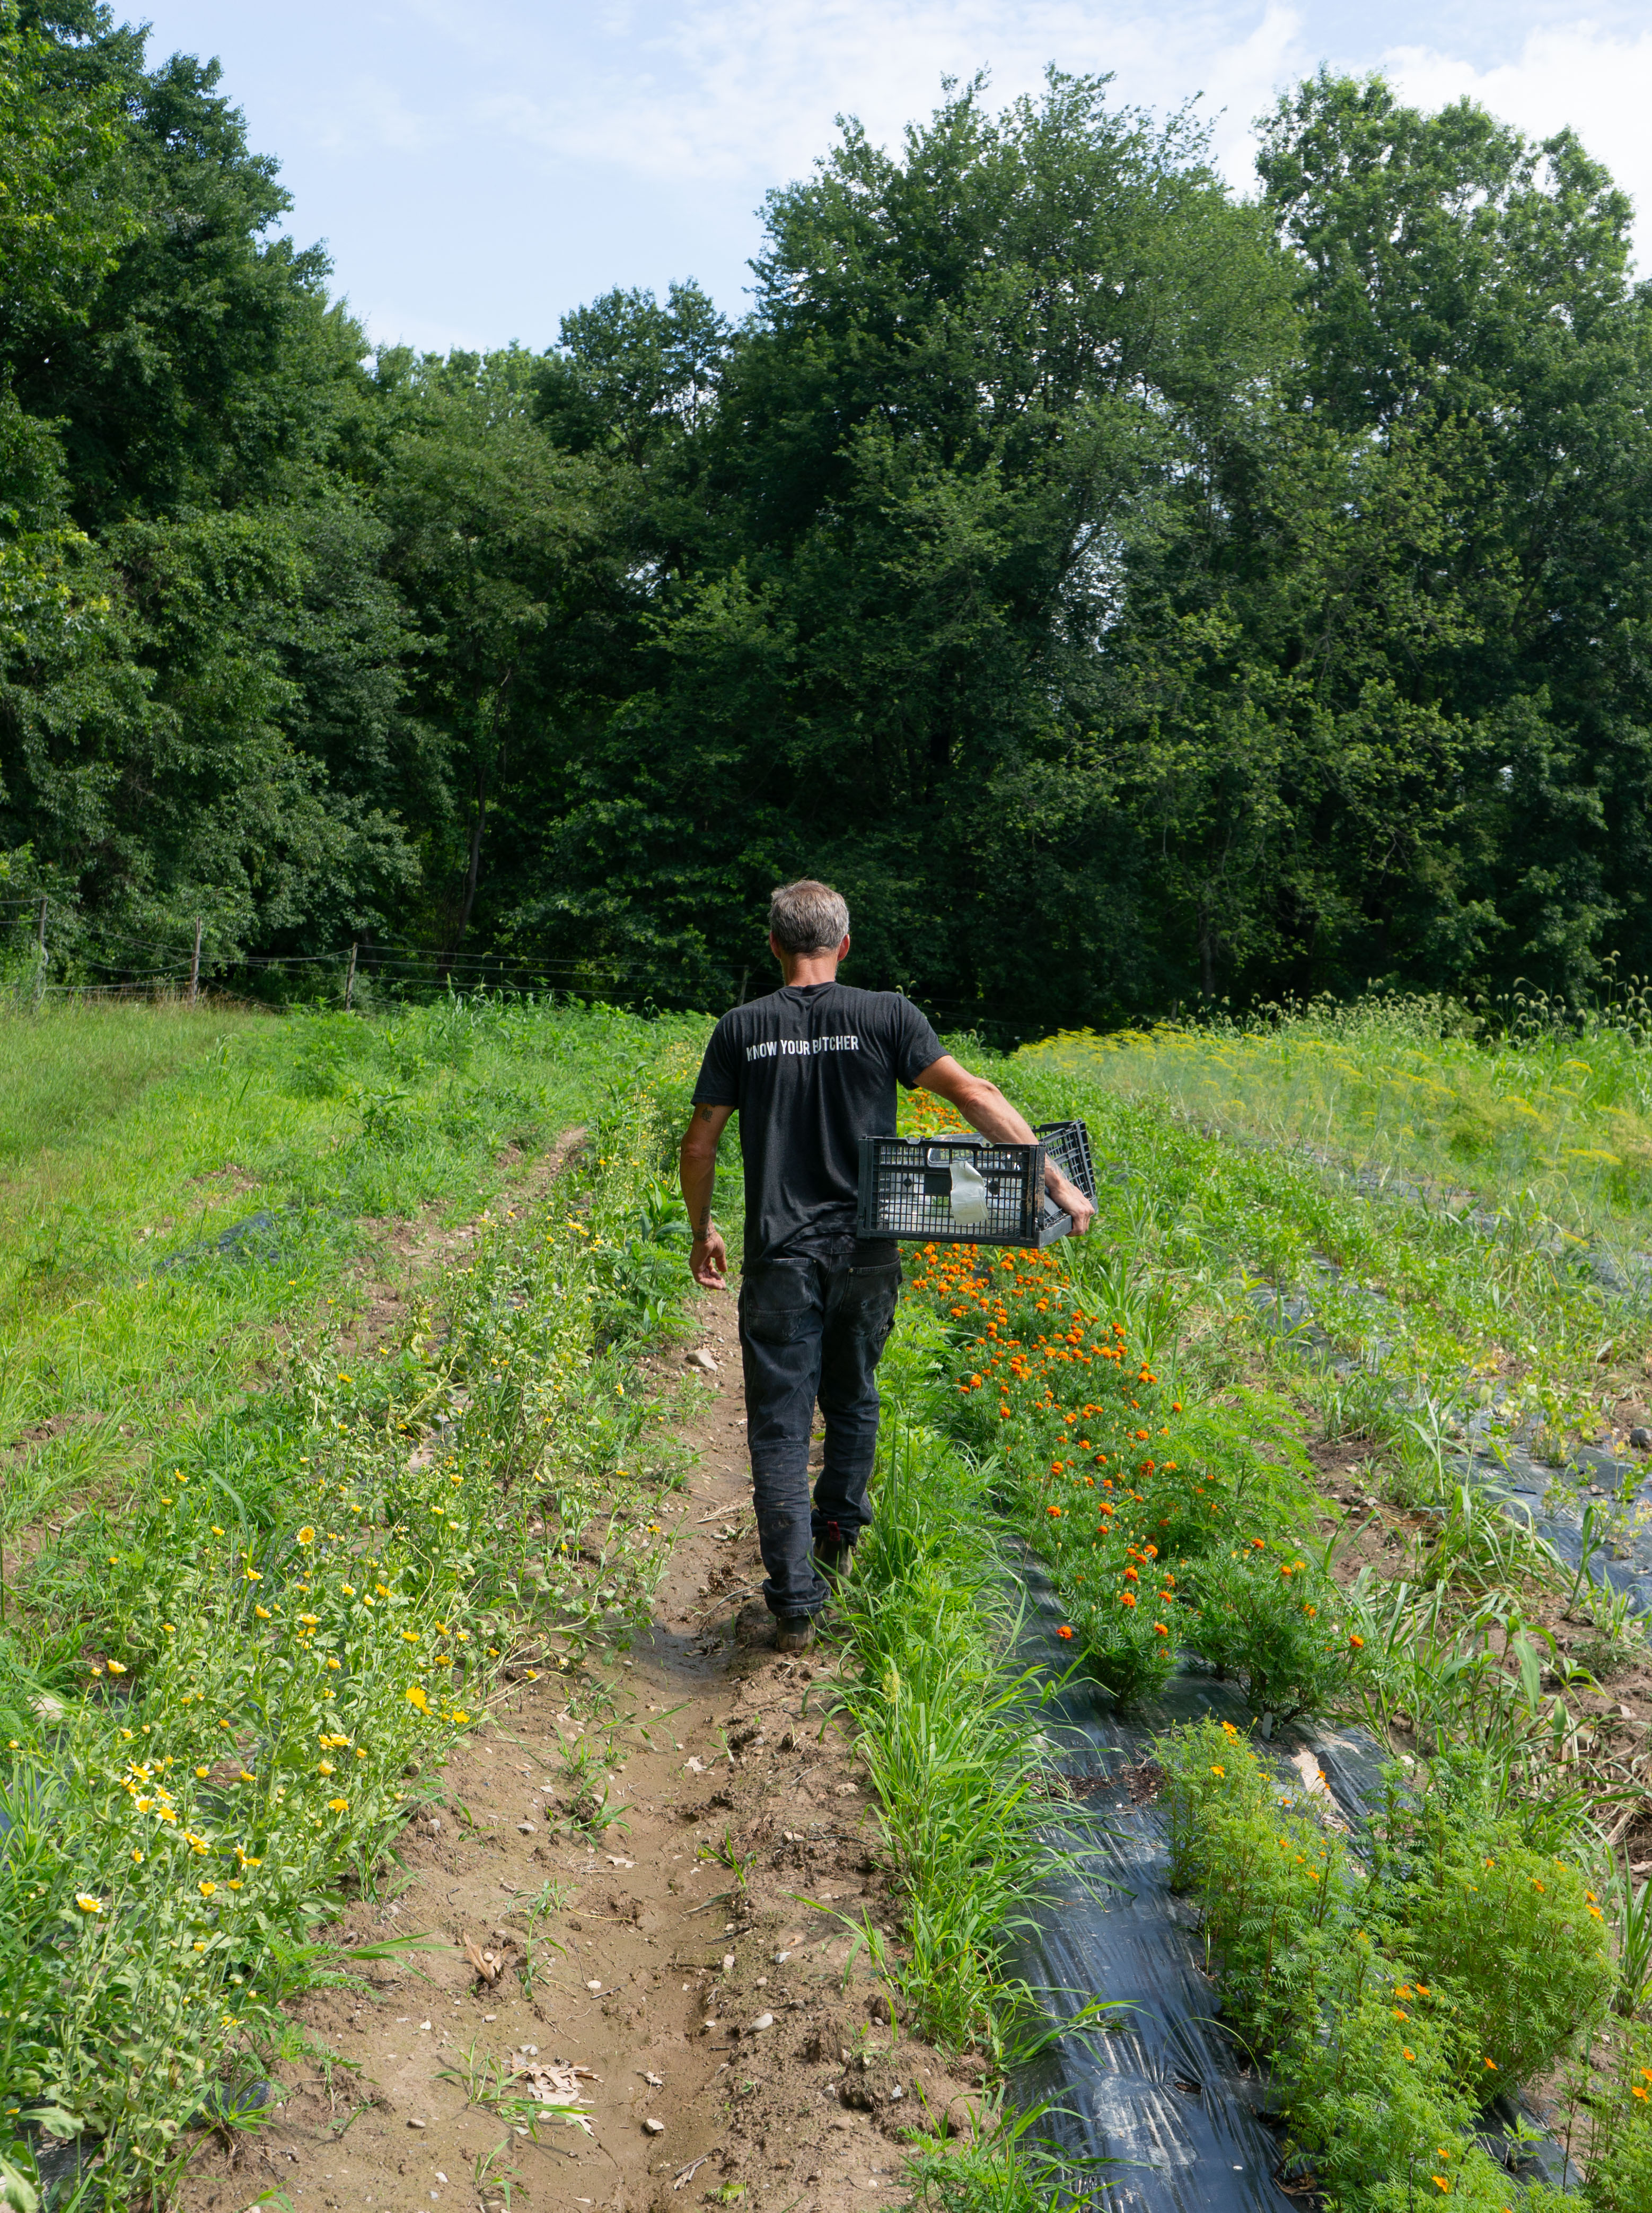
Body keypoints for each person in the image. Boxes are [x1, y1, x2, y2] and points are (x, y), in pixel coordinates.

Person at [678, 878, 1096, 1653]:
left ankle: (794, 1609)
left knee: (777, 1429)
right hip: (867, 1251)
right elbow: (974, 1092)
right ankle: (836, 1539)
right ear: (844, 944)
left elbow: (699, 1143)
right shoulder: (886, 1015)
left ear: (773, 945)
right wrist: (1054, 1179)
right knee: (854, 1400)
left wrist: (703, 1227)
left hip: (778, 1255)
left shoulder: (741, 1028)